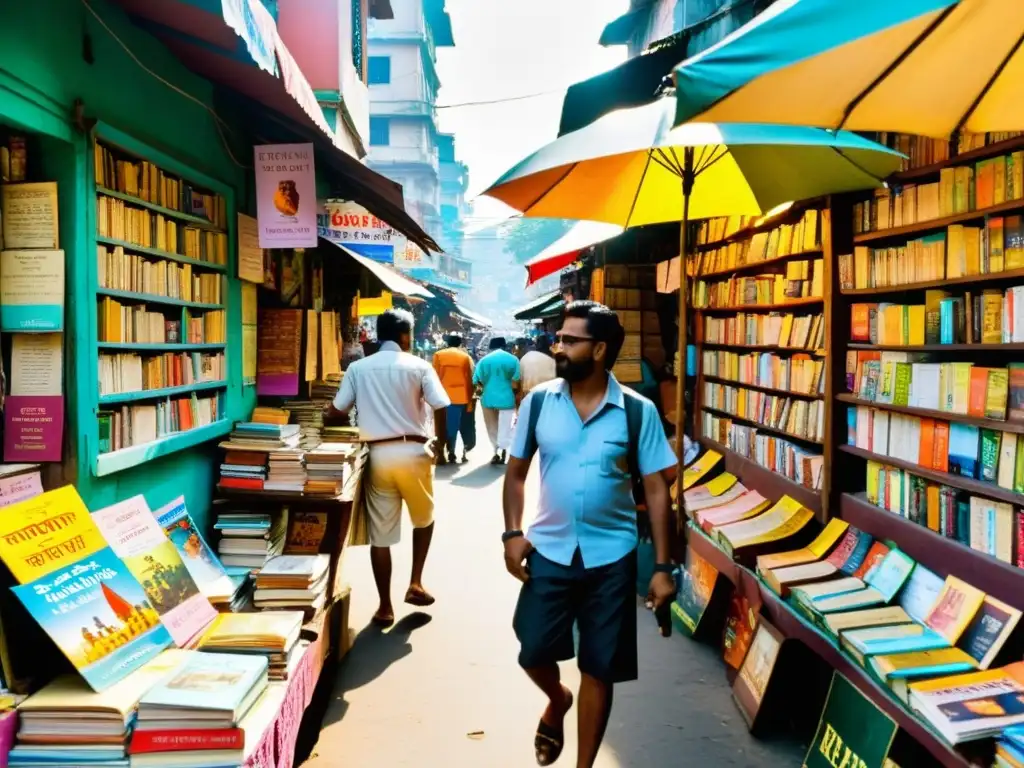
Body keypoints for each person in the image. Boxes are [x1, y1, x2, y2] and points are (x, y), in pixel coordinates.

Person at [502, 300, 677, 768]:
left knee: (599, 668)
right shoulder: (539, 402)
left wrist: (662, 567)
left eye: (569, 340)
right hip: (549, 550)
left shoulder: (637, 412)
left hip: (612, 557)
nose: (558, 347)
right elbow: (516, 473)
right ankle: (558, 700)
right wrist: (512, 534)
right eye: (559, 338)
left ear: (599, 350)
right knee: (533, 649)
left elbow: (659, 489)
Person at [326, 309, 450, 627]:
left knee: (381, 536)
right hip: (415, 450)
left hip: (378, 455)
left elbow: (338, 411)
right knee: (424, 518)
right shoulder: (419, 366)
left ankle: (385, 607)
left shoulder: (358, 368)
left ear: (380, 335)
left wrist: (326, 414)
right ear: (405, 335)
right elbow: (441, 405)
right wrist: (441, 444)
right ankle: (416, 582)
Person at [473, 337, 521, 465]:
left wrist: (484, 387)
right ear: (505, 346)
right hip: (507, 399)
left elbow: (476, 380)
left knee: (492, 427)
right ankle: (504, 447)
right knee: (505, 426)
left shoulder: (484, 361)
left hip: (488, 399)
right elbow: (516, 380)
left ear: (490, 346)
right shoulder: (513, 359)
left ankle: (496, 451)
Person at [432, 333, 477, 464]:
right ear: (460, 344)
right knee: (458, 424)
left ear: (447, 343)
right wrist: (470, 398)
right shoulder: (465, 357)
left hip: (441, 396)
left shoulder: (438, 355)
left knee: (443, 425)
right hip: (461, 396)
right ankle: (453, 451)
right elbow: (470, 378)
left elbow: (434, 376)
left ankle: (448, 450)